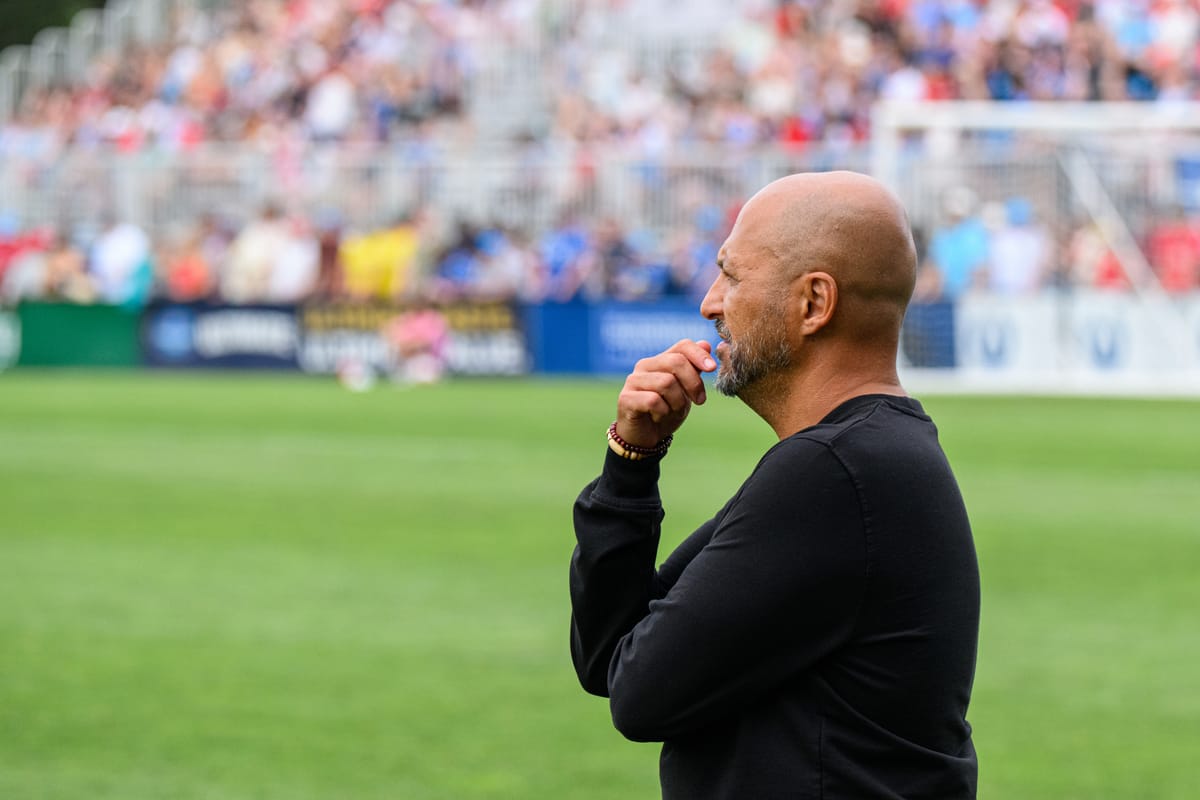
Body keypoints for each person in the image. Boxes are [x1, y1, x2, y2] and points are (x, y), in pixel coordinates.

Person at [569, 171, 980, 799]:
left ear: (814, 302)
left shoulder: (835, 472)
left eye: (732, 277)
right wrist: (632, 458)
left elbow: (638, 695)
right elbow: (610, 656)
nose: (710, 303)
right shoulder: (859, 457)